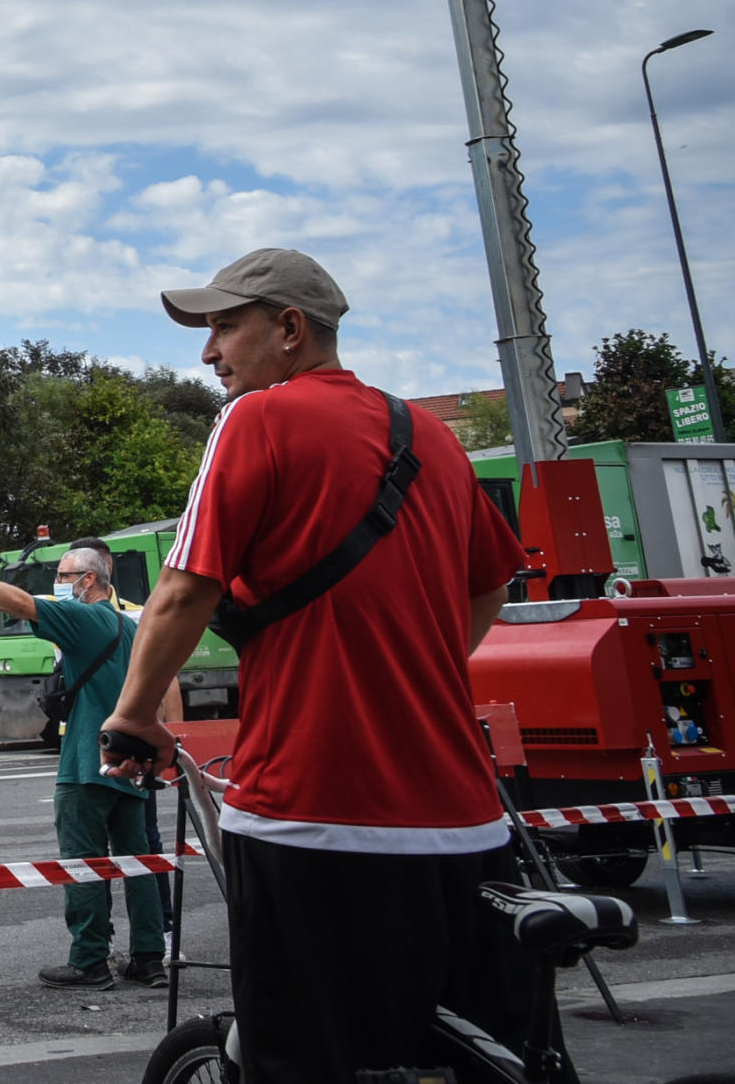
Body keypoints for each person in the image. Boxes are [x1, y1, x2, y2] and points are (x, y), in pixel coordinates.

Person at [100, 250, 528, 1082]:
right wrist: (414, 667)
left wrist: (135, 714)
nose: (208, 352)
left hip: (313, 813)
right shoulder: (430, 435)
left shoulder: (259, 419)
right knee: (469, 1055)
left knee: (307, 1059)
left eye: (225, 326)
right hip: (468, 823)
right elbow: (491, 585)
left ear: (289, 330)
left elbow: (186, 588)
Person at [0, 544, 164, 988]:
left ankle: (90, 959)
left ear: (88, 580)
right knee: (140, 862)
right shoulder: (128, 627)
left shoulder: (84, 618)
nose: (59, 580)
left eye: (64, 573)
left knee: (84, 864)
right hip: (129, 759)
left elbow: (19, 603)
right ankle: (149, 957)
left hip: (85, 762)